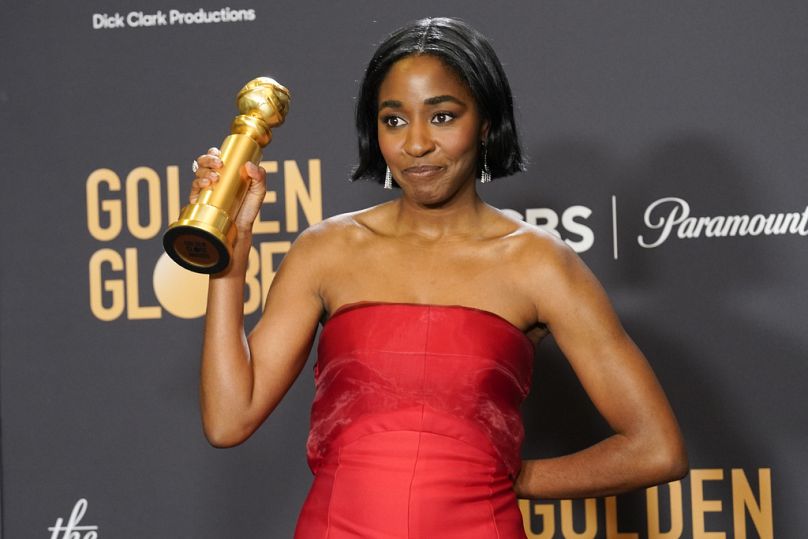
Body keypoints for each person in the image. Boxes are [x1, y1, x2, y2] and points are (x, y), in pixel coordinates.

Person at [191, 17, 688, 538]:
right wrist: (229, 253)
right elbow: (229, 419)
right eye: (394, 120)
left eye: (443, 116)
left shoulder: (540, 264)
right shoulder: (327, 250)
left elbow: (657, 448)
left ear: (487, 124)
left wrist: (514, 476)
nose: (417, 144)